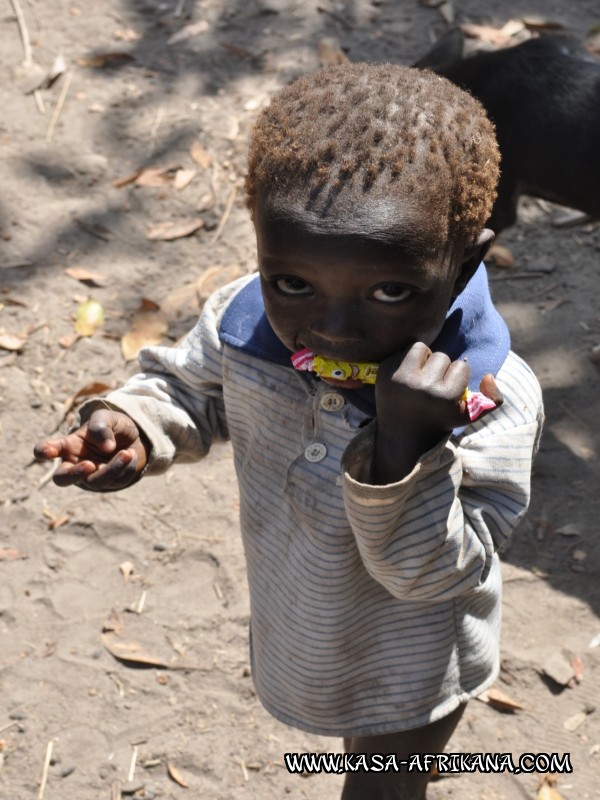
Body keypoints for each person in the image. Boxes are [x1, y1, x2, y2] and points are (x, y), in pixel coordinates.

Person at [34, 63, 544, 799]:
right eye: (294, 283)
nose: (333, 328)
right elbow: (188, 385)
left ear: (464, 260)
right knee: (351, 746)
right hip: (307, 621)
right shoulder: (245, 321)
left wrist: (405, 449)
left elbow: (439, 573)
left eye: (391, 291)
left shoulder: (489, 396)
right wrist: (135, 426)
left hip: (416, 655)